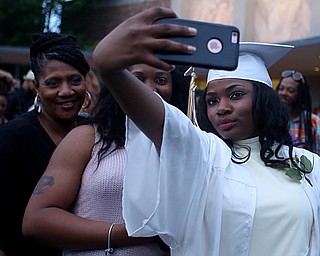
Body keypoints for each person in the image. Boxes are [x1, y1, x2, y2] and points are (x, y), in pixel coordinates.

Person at [92, 7, 320, 256]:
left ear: (263, 99)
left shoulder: (307, 163)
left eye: (236, 95)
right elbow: (167, 124)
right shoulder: (206, 155)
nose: (222, 108)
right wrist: (108, 66)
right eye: (211, 101)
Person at [22, 64, 189, 255]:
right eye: (137, 78)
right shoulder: (88, 138)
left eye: (161, 80)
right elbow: (36, 220)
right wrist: (131, 234)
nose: (149, 88)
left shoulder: (186, 147)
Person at [0, 32, 90, 256]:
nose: (66, 91)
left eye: (75, 80)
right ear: (37, 88)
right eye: (53, 83)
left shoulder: (94, 131)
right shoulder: (14, 136)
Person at [276, 70, 320, 155]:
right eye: (281, 88)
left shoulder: (314, 122)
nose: (284, 93)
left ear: (300, 95)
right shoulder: (271, 119)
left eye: (291, 91)